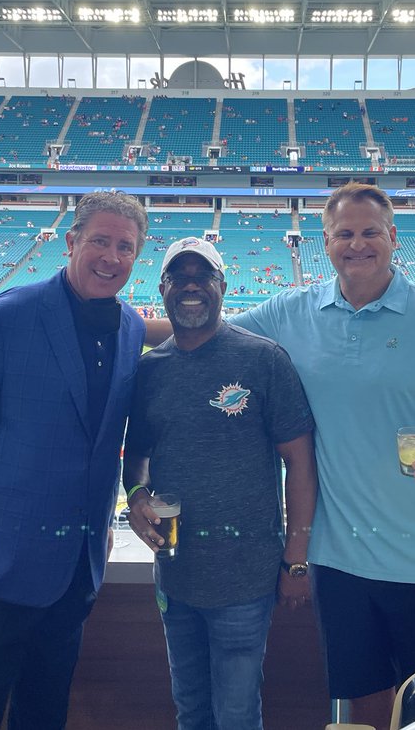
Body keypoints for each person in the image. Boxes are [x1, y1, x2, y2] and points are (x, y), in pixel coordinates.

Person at [180, 183, 415, 730]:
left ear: (393, 238)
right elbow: (212, 335)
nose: (358, 244)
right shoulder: (294, 311)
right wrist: (122, 329)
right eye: (345, 234)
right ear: (326, 243)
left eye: (370, 232)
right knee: (363, 703)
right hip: (339, 560)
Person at [0, 190, 148, 730]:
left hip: (74, 571)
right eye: (100, 241)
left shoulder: (131, 328)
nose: (111, 257)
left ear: (138, 255)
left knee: (46, 711)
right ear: (71, 242)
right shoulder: (7, 317)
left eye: (125, 247)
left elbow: (103, 440)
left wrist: (104, 520)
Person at [123, 237, 318, 730]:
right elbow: (138, 453)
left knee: (235, 713)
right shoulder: (150, 369)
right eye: (179, 277)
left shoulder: (262, 359)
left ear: (222, 287)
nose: (191, 286)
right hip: (176, 572)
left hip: (244, 575)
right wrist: (137, 495)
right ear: (162, 288)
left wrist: (296, 557)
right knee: (190, 709)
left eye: (202, 276)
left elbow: (299, 461)